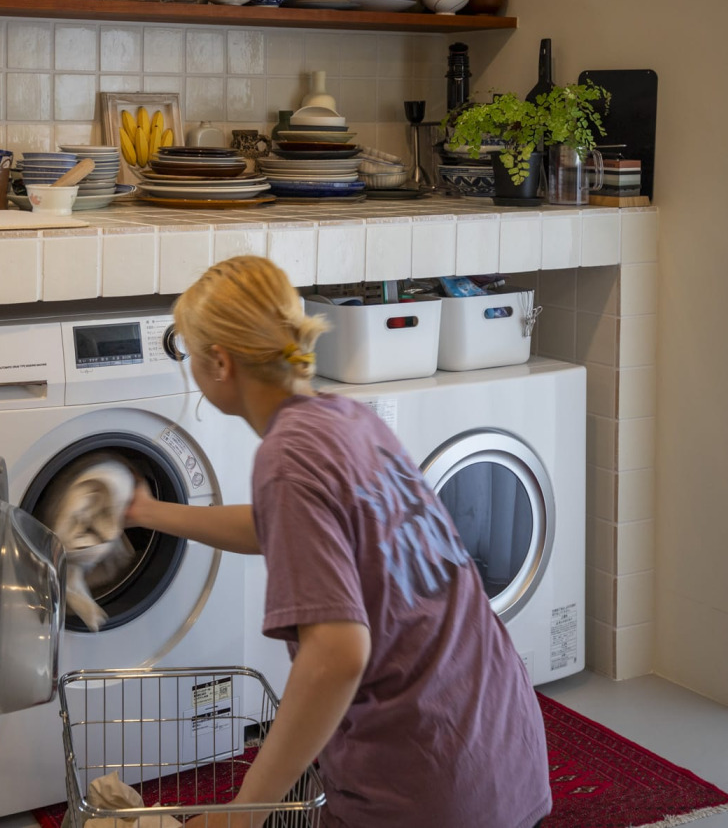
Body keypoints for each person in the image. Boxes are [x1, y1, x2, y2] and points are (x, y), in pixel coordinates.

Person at [127, 256, 552, 828]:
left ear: (221, 363)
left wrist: (241, 815)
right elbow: (280, 526)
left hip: (424, 784)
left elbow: (337, 656)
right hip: (498, 742)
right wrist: (150, 512)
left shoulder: (285, 458)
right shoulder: (346, 419)